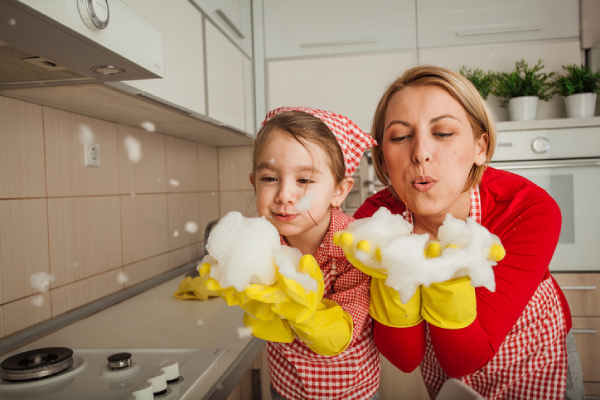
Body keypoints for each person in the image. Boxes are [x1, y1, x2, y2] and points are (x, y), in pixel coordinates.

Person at [337, 66, 584, 399]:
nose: (420, 153)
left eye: (443, 133)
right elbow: (406, 358)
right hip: (447, 373)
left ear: (480, 147)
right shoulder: (375, 221)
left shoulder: (527, 209)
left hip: (535, 364)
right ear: (383, 158)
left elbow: (467, 357)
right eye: (399, 136)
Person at [201, 107, 381, 400]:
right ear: (254, 182)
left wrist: (302, 311)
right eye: (270, 179)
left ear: (339, 190)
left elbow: (341, 334)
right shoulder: (263, 243)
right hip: (286, 387)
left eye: (304, 180)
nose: (284, 194)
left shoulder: (355, 249)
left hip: (352, 392)